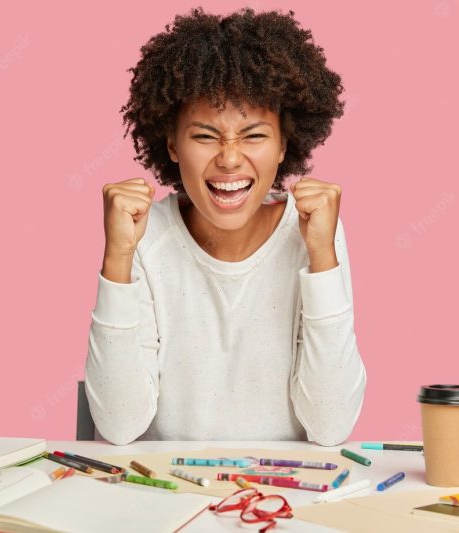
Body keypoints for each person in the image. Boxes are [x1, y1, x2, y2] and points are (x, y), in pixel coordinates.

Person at [85, 6, 366, 446]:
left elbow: (331, 426)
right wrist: (117, 260)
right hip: (167, 492)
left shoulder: (313, 232)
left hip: (283, 491)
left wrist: (323, 260)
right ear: (172, 145)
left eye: (253, 135)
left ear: (283, 146)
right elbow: (119, 426)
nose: (230, 158)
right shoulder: (143, 236)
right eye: (203, 136)